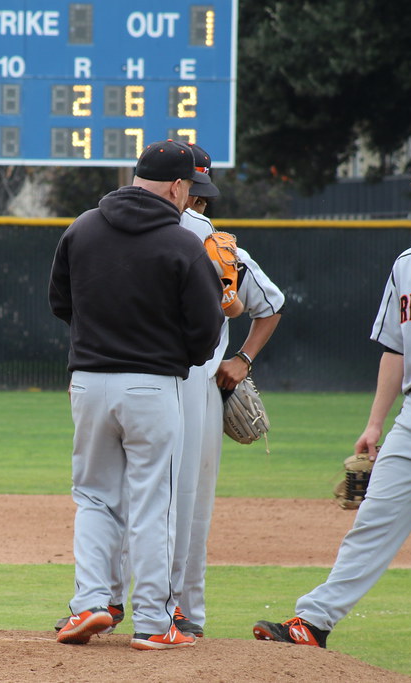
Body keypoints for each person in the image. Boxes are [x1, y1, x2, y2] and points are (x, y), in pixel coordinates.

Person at [251, 156, 411, 681]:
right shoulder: (408, 263)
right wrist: (375, 423)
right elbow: (394, 349)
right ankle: (313, 621)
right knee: (372, 520)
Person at [48, 140, 224, 650]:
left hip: (88, 383)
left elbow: (61, 302)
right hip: (152, 385)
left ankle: (87, 605)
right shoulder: (182, 242)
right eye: (188, 187)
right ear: (175, 186)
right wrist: (176, 356)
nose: (189, 196)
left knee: (94, 499)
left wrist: (97, 341)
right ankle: (152, 621)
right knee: (154, 503)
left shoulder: (81, 228)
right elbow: (206, 330)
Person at [174, 143, 285, 637]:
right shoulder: (204, 240)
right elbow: (270, 304)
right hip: (173, 381)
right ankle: (169, 609)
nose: (195, 204)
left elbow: (270, 305)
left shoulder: (218, 245)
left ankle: (124, 604)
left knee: (158, 499)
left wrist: (241, 358)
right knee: (184, 501)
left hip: (182, 380)